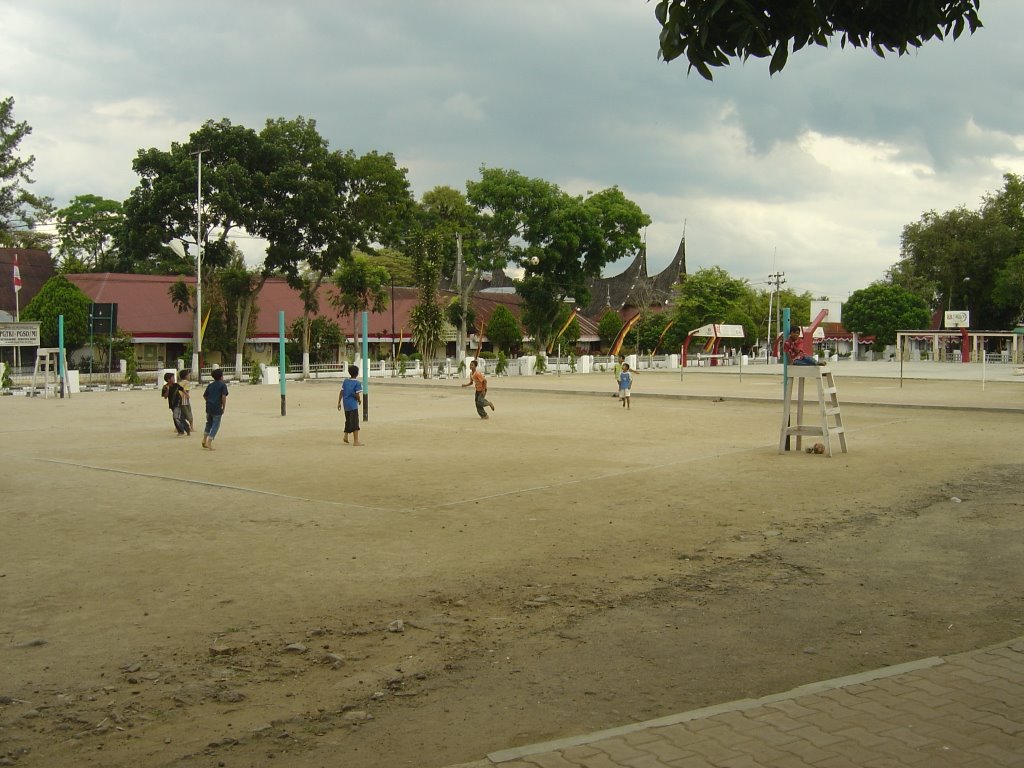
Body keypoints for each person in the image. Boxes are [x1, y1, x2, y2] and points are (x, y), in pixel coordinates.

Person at [201, 367, 228, 450]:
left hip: (209, 407)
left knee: (209, 423)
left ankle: (204, 439)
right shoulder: (223, 385)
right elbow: (223, 396)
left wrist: (209, 401)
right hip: (216, 407)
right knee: (215, 425)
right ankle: (209, 442)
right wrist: (223, 406)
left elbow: (205, 395)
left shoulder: (210, 385)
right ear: (221, 377)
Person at [337, 364, 363, 446]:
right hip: (353, 405)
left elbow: (341, 392)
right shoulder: (357, 383)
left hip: (346, 404)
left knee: (348, 420)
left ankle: (346, 436)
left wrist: (339, 402)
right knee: (355, 422)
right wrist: (359, 400)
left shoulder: (345, 381)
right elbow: (357, 395)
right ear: (357, 373)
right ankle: (356, 441)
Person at [161, 371, 190, 435]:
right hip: (172, 404)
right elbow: (165, 397)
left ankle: (181, 431)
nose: (174, 379)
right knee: (180, 417)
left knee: (175, 416)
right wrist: (168, 390)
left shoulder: (176, 385)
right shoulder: (165, 387)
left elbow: (182, 389)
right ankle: (187, 428)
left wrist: (186, 395)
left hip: (178, 403)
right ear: (168, 380)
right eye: (172, 378)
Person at [178, 369, 194, 434]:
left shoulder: (180, 383)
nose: (189, 376)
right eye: (188, 374)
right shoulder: (187, 383)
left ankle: (177, 427)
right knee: (189, 413)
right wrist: (187, 395)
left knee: (181, 414)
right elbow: (186, 391)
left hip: (179, 400)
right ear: (186, 376)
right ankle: (191, 427)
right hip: (184, 400)